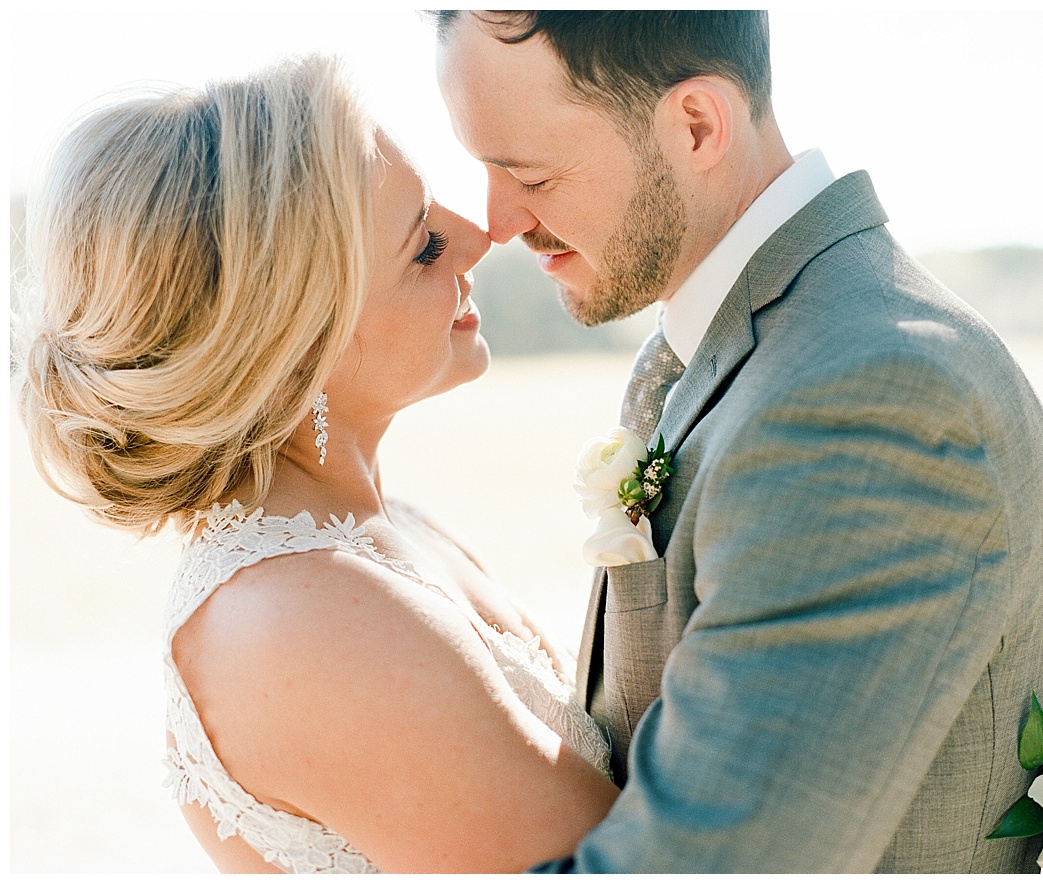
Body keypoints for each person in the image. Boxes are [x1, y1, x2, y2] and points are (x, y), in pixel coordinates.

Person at [434, 10, 1043, 873]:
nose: (498, 219)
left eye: (530, 174)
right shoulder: (749, 346)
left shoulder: (866, 396)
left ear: (697, 125)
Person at [15, 54, 618, 873]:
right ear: (297, 344)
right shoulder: (295, 622)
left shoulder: (383, 530)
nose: (481, 238)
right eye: (426, 245)